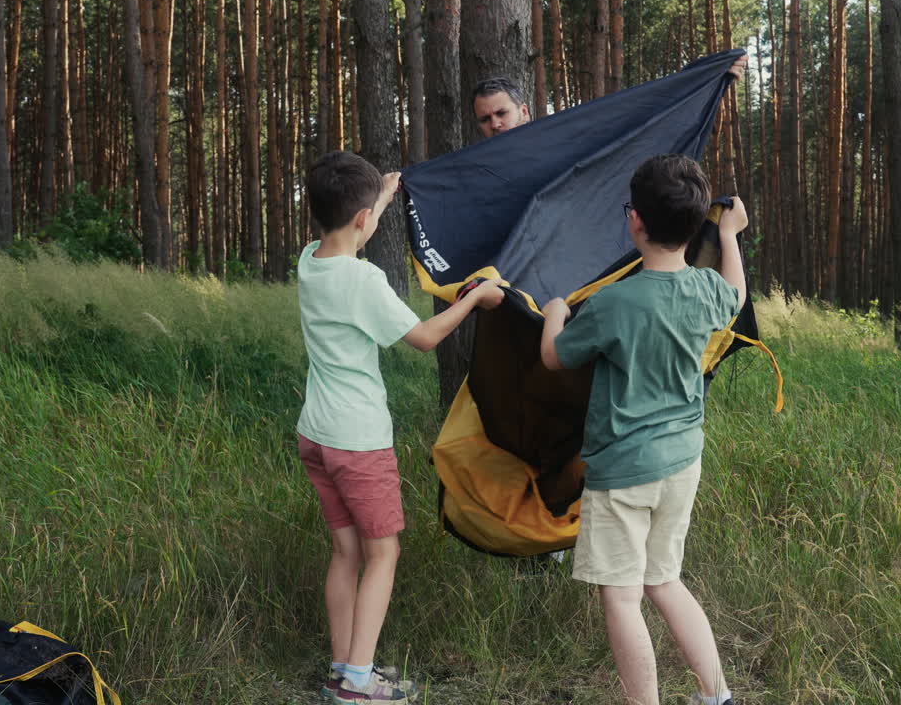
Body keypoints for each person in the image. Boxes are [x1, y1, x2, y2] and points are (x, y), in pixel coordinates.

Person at [539, 154, 749, 705]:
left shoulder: (613, 303)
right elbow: (737, 296)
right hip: (681, 463)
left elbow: (555, 358)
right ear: (696, 222)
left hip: (622, 473)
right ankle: (717, 695)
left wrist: (556, 312)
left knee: (624, 598)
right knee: (665, 581)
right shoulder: (705, 290)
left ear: (634, 221)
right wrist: (729, 236)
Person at [297, 151, 505, 704]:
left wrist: (382, 198)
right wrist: (475, 299)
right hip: (358, 440)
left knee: (345, 553)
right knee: (382, 553)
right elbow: (424, 337)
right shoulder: (362, 280)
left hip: (315, 434)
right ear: (362, 219)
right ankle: (359, 685)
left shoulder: (310, 260)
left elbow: (350, 232)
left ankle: (345, 670)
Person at [471, 56, 747, 140]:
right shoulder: (473, 169)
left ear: (524, 111)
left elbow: (632, 116)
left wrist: (703, 77)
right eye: (485, 119)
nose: (494, 124)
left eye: (501, 114)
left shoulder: (555, 139)